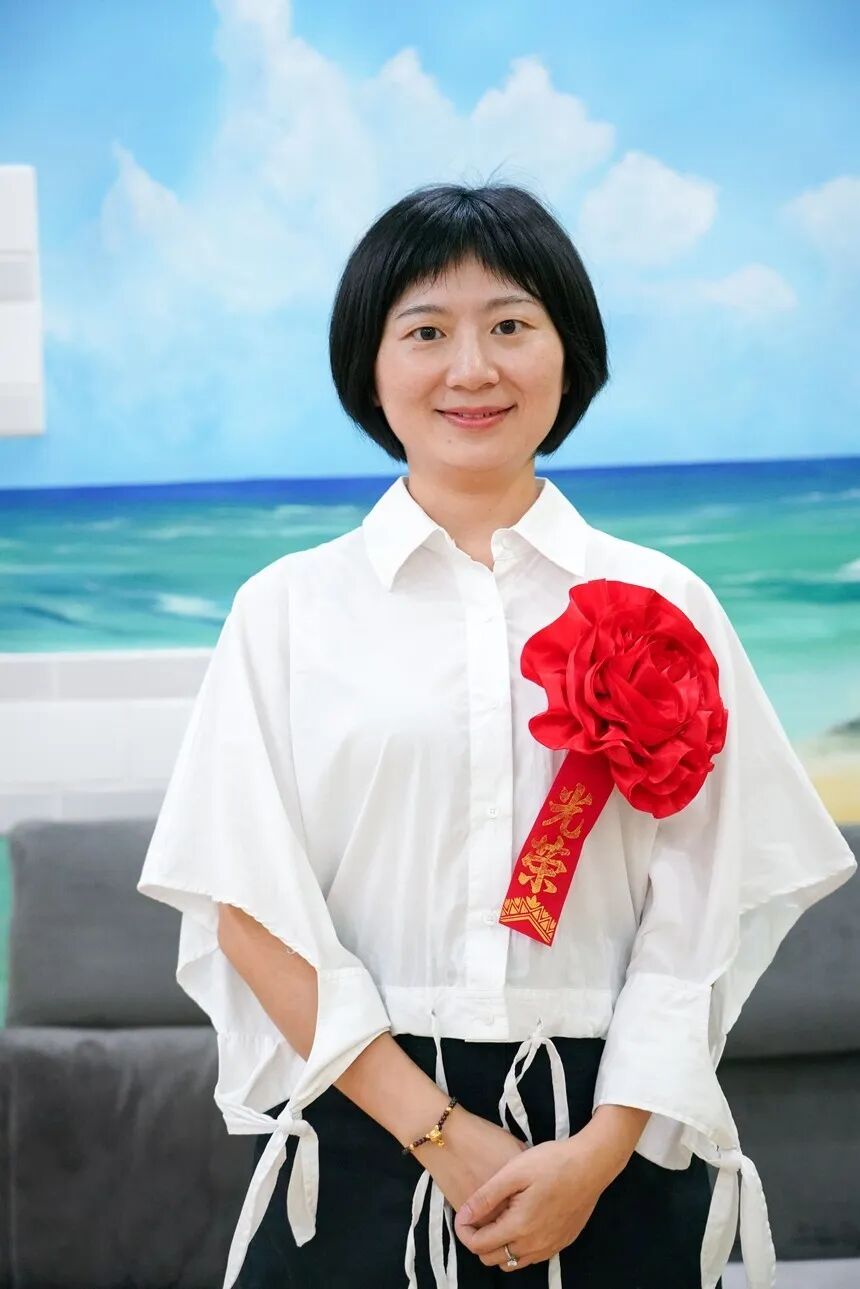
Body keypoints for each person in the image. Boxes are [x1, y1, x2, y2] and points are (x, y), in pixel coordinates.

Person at [136, 181, 857, 1289]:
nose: (471, 367)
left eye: (511, 325)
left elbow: (701, 905)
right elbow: (248, 902)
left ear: (569, 353)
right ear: (370, 365)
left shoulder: (667, 601)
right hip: (363, 1132)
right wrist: (437, 1130)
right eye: (426, 331)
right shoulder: (286, 609)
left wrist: (602, 1148)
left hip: (615, 1145)